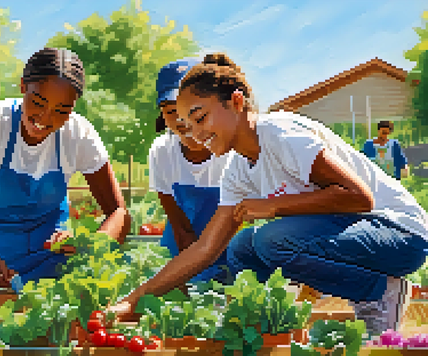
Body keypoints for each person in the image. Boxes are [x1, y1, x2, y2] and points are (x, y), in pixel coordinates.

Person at [109, 53, 428, 337]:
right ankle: (262, 323)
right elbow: (206, 248)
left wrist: (273, 206)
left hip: (400, 234)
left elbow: (359, 197)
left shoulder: (280, 133)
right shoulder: (237, 169)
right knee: (241, 248)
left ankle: (379, 293)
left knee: (269, 239)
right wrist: (132, 302)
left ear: (235, 102)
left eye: (200, 117)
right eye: (188, 124)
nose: (196, 133)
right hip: (357, 237)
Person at [0, 48, 131, 289]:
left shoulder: (79, 134)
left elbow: (119, 213)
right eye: (38, 102)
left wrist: (90, 244)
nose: (45, 117)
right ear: (23, 86)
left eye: (62, 111)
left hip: (52, 267)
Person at [150, 58, 233, 284]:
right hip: (181, 242)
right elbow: (179, 224)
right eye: (170, 111)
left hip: (227, 242)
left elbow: (236, 223)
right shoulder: (161, 152)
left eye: (188, 109)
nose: (181, 120)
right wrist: (187, 273)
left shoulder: (230, 151)